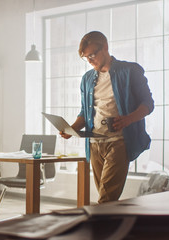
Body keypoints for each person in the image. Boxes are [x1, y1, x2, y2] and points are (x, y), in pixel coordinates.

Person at [60, 31, 154, 203]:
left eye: (92, 55)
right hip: (95, 143)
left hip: (119, 141)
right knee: (107, 199)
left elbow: (148, 104)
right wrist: (72, 129)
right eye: (86, 57)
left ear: (105, 47)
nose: (90, 60)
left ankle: (97, 227)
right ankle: (112, 226)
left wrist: (128, 119)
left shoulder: (130, 71)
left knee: (106, 198)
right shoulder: (87, 79)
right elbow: (85, 112)